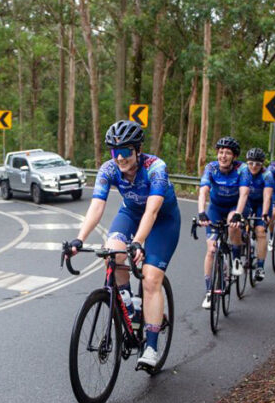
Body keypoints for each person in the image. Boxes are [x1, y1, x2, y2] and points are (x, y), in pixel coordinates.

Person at [66, 120, 181, 370]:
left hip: (162, 220)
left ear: (138, 150)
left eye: (126, 151)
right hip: (130, 213)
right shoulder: (108, 169)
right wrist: (80, 239)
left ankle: (150, 346)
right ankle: (131, 306)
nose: (120, 158)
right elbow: (97, 205)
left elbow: (151, 212)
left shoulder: (155, 168)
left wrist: (138, 242)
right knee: (112, 253)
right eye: (115, 152)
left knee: (150, 279)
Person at [197, 137, 244, 310]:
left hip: (234, 206)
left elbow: (244, 193)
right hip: (215, 208)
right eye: (221, 152)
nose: (223, 156)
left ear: (234, 156)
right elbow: (203, 191)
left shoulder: (242, 169)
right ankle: (209, 291)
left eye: (228, 153)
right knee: (211, 249)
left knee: (233, 224)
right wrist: (201, 212)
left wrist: (238, 213)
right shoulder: (211, 168)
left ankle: (237, 257)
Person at [233, 147, 274, 283]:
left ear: (262, 164)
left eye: (257, 163)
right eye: (251, 163)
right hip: (247, 201)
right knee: (238, 224)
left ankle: (260, 267)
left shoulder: (267, 175)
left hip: (262, 203)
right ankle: (245, 242)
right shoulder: (242, 171)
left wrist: (264, 214)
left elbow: (267, 196)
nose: (254, 166)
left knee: (260, 231)